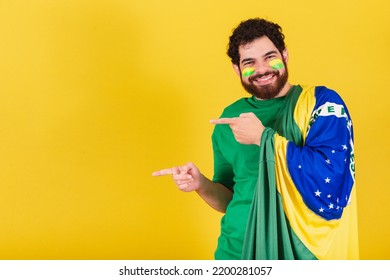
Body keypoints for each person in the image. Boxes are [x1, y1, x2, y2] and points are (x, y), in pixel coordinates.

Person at [152, 18, 359, 260]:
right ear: (236, 69)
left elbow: (333, 174)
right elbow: (230, 197)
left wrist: (263, 137)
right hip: (236, 251)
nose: (261, 69)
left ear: (285, 55)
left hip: (301, 253)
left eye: (270, 57)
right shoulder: (229, 119)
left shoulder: (322, 103)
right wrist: (201, 184)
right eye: (249, 62)